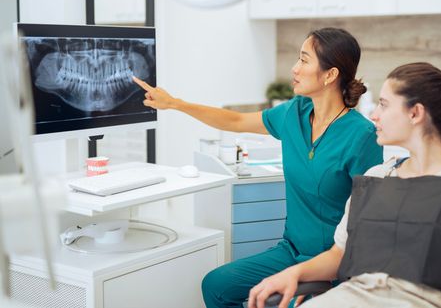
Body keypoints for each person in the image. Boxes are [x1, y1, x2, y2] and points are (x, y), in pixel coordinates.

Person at [133, 27, 383, 308]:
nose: (294, 68)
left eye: (303, 60)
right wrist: (175, 104)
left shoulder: (362, 136)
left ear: (330, 75)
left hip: (334, 264)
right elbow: (236, 122)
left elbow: (371, 224)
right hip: (291, 251)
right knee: (216, 286)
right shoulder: (295, 112)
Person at [248, 62, 441, 308]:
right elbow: (340, 254)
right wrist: (293, 273)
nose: (374, 115)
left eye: (383, 105)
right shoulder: (377, 177)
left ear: (415, 113)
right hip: (349, 298)